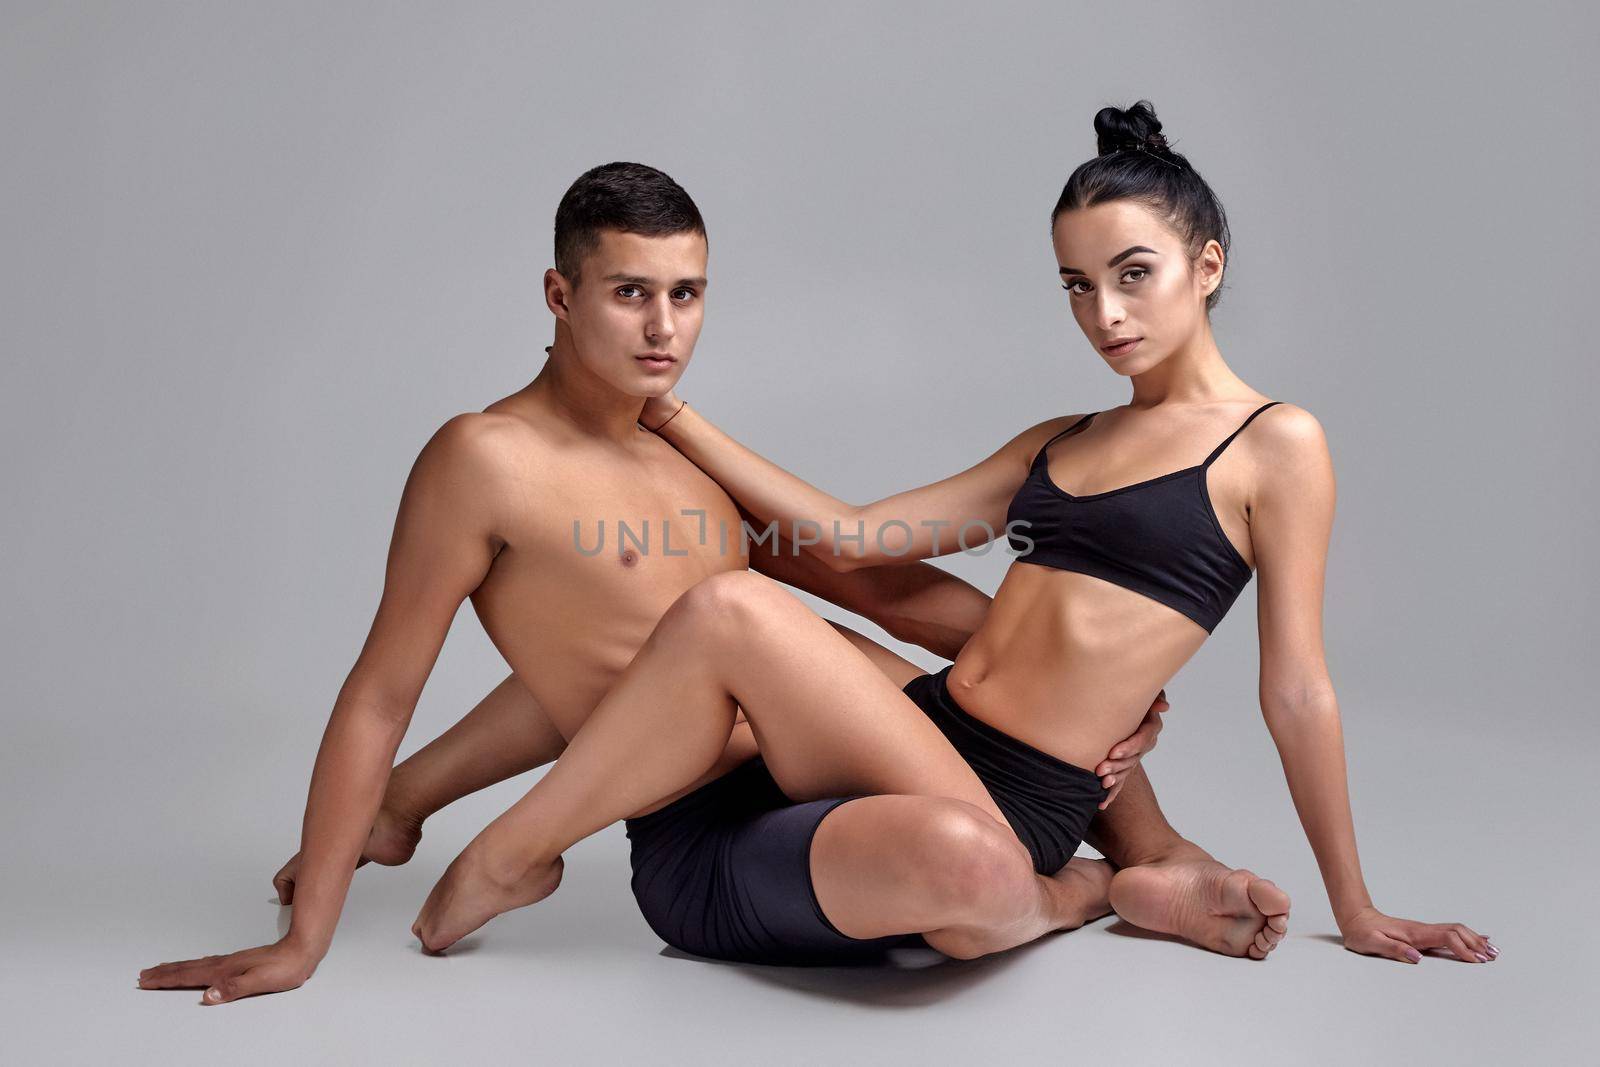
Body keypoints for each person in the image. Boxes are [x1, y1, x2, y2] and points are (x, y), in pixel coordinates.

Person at [137, 161, 1271, 1006]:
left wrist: (1072, 673)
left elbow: (877, 588)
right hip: (712, 838)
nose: (664, 327)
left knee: (843, 659)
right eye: (631, 292)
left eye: (687, 293)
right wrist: (308, 936)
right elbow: (383, 688)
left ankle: (1150, 856)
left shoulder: (682, 457)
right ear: (558, 292)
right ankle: (1085, 888)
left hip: (830, 764)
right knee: (950, 848)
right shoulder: (483, 460)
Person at [407, 104, 1495, 970]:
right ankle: (1111, 880)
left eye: (1133, 274)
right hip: (921, 730)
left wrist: (1356, 905)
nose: (1104, 314)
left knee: (765, 647)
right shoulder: (1059, 438)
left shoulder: (1275, 444)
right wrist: (673, 417)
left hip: (1028, 790)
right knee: (724, 614)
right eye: (1077, 284)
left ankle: (1113, 874)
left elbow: (1298, 688)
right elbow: (851, 538)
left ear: (1205, 266)